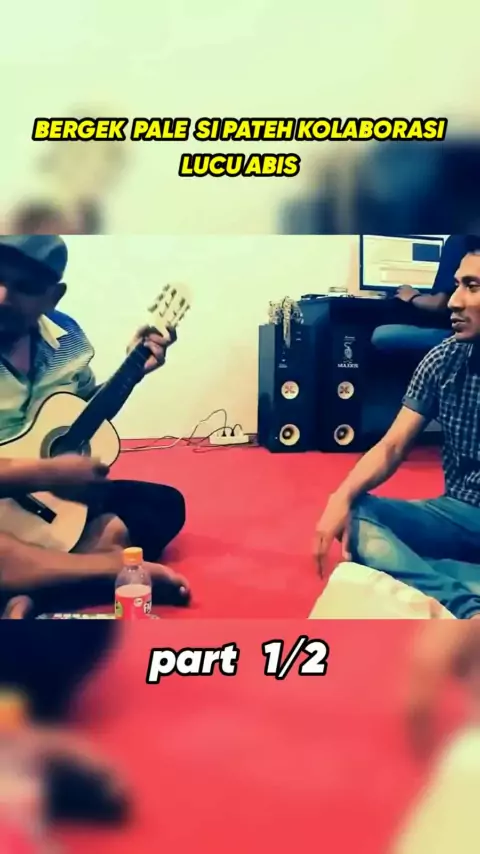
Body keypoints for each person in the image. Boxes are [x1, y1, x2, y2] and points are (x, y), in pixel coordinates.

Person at [0, 235, 189, 616]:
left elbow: (76, 420)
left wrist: (131, 373)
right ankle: (102, 568)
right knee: (114, 530)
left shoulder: (68, 339)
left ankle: (33, 584)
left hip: (38, 505)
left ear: (53, 297)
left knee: (161, 504)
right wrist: (46, 473)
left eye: (25, 287)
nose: (3, 297)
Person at [314, 234, 480, 620]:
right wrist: (341, 496)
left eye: (472, 286)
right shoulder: (443, 359)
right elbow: (392, 446)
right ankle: (468, 608)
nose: (453, 301)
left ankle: (428, 578)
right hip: (460, 513)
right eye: (457, 285)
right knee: (359, 516)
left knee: (375, 559)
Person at [371, 234, 467, 353]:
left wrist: (412, 296)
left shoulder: (460, 241)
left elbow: (440, 304)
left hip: (454, 331)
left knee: (380, 334)